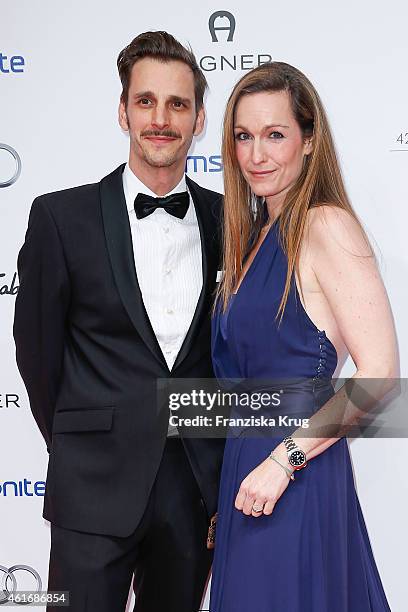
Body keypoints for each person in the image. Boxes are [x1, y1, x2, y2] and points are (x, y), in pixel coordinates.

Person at [13, 31, 225, 612]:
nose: (161, 119)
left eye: (178, 104)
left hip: (192, 492)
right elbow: (35, 351)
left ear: (199, 118)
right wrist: (82, 440)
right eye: (146, 101)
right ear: (123, 110)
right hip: (90, 493)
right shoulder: (60, 216)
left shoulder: (230, 221)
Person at [210, 62, 398, 611]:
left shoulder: (325, 225)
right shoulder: (251, 237)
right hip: (246, 474)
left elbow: (381, 373)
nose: (256, 155)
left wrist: (283, 460)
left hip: (296, 474)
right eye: (243, 137)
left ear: (309, 140)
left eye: (275, 135)